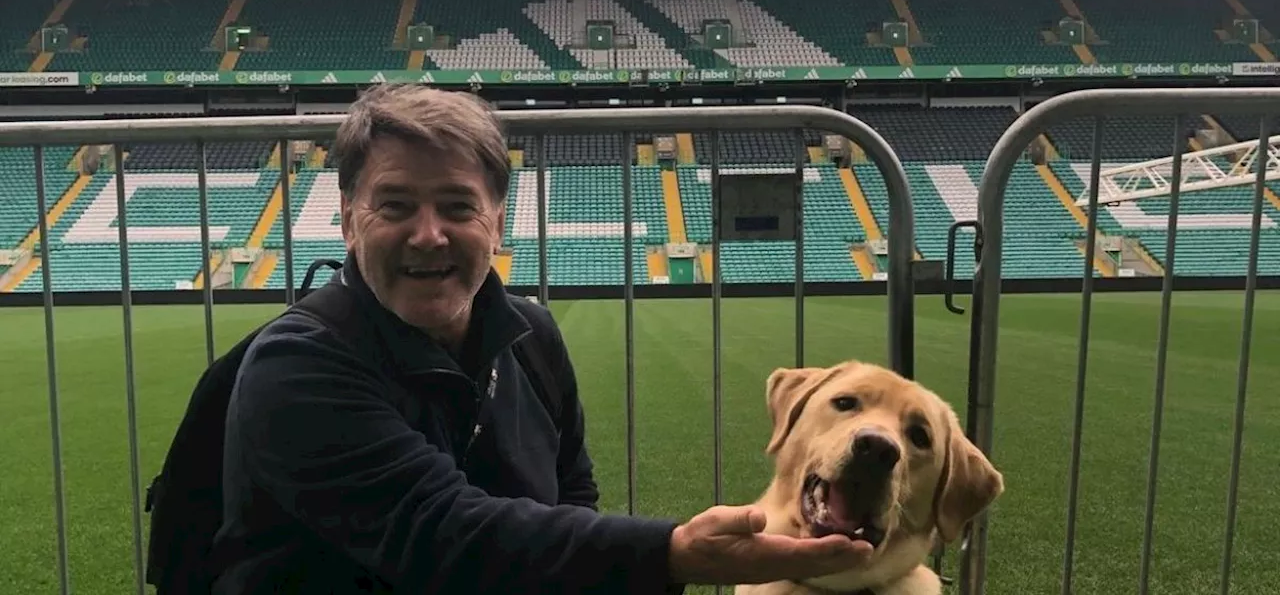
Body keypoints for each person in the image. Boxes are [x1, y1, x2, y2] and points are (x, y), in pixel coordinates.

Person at [209, 83, 869, 594]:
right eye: (396, 205)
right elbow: (441, 533)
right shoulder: (295, 366)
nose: (429, 234)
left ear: (496, 222)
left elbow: (571, 493)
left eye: (457, 206)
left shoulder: (531, 334)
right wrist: (668, 553)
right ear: (350, 220)